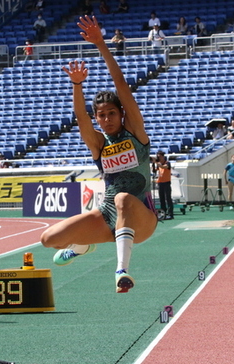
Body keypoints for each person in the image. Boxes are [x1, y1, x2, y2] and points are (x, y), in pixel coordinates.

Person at [40, 15, 158, 294]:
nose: (106, 120)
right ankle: (83, 245)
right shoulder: (98, 144)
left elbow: (121, 86)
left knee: (122, 198)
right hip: (108, 216)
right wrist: (77, 85)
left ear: (121, 114)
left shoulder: (135, 133)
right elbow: (81, 118)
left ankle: (121, 270)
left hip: (142, 215)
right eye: (101, 116)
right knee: (49, 239)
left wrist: (101, 45)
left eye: (112, 114)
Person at [154, 151, 174, 220]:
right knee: (161, 199)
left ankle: (171, 214)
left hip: (166, 182)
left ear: (162, 156)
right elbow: (154, 170)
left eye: (159, 157)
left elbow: (164, 167)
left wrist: (156, 162)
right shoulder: (158, 164)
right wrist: (154, 165)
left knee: (168, 198)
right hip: (160, 182)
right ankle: (163, 213)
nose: (158, 158)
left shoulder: (167, 163)